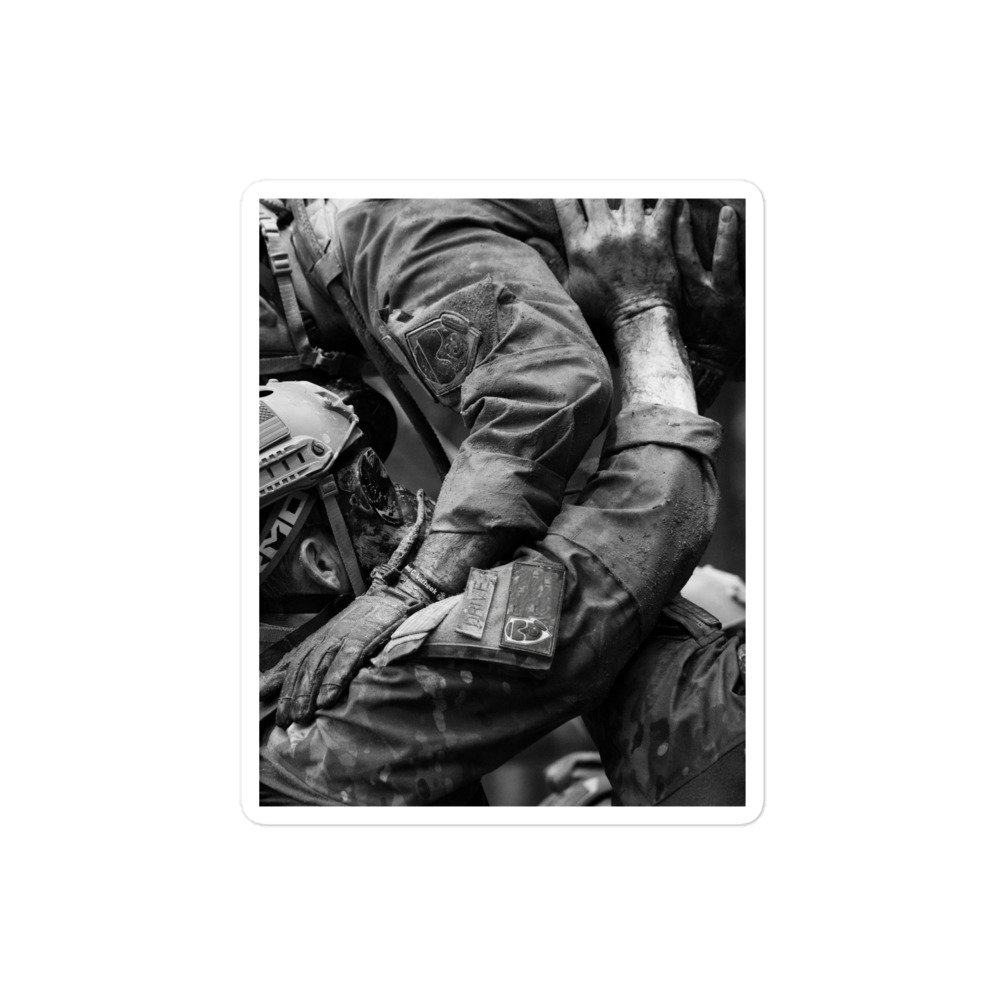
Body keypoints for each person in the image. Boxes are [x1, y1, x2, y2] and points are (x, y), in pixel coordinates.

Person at [259, 199, 731, 805]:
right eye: (373, 486)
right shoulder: (340, 700)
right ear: (321, 562)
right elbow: (619, 551)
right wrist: (642, 310)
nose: (408, 497)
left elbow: (572, 521)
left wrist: (696, 359)